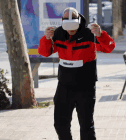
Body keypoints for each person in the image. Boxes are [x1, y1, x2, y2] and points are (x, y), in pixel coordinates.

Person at [38, 7, 115, 140]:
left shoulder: (89, 34)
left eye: (73, 28)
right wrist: (46, 38)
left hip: (85, 86)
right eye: (68, 28)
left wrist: (100, 34)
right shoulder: (58, 34)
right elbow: (45, 52)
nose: (70, 31)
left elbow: (109, 47)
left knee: (86, 126)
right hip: (64, 86)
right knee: (60, 124)